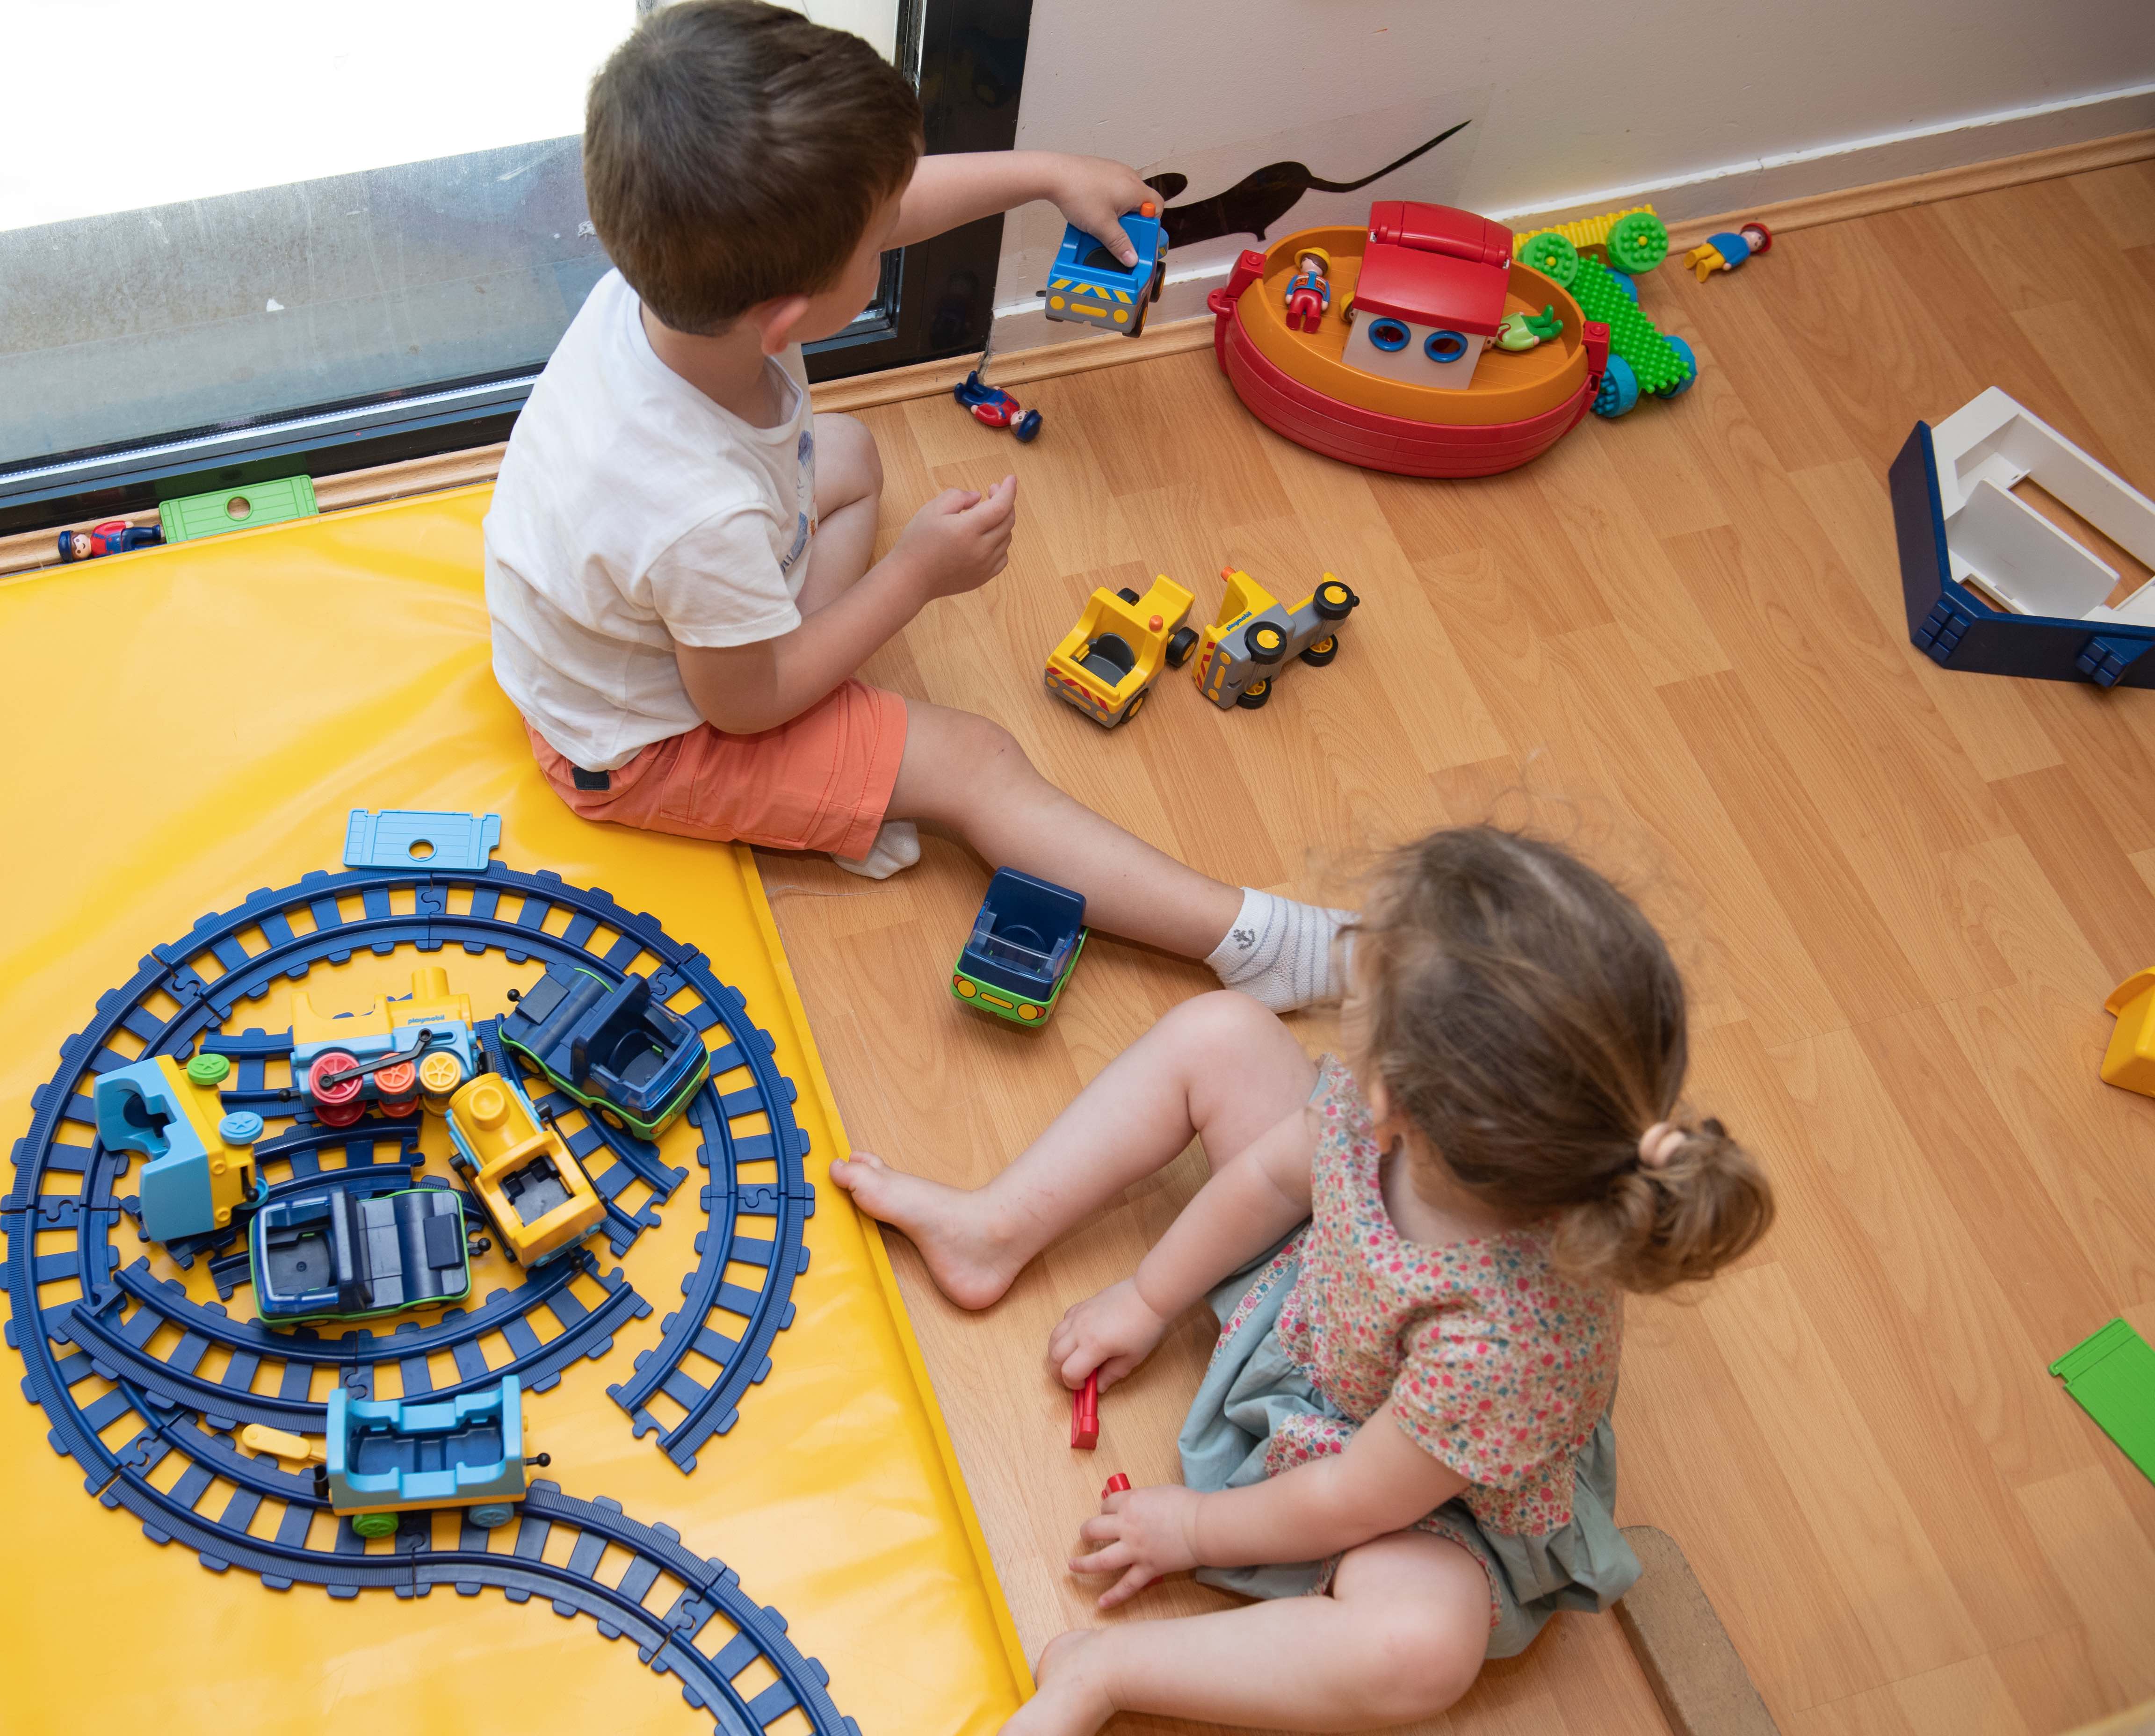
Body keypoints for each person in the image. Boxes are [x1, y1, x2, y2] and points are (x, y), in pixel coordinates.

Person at [483, 0, 1348, 1013]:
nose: (893, 238)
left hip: (632, 632)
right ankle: (1254, 941)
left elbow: (878, 203)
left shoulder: (675, 278)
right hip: (646, 747)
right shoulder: (689, 508)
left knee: (846, 451)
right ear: (789, 320)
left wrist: (1046, 175)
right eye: (876, 245)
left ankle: (829, 760)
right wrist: (914, 579)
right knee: (976, 760)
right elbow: (742, 704)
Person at [833, 827, 1776, 1733]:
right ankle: (996, 1226)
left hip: (1417, 1480)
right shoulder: (1405, 1127)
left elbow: (1353, 1499)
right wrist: (1149, 1296)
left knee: (1419, 1647)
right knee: (1223, 1033)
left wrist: (1197, 1529)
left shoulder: (1507, 1344)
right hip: (1325, 1303)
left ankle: (1109, 1670)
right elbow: (1277, 1175)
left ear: (1395, 1098)